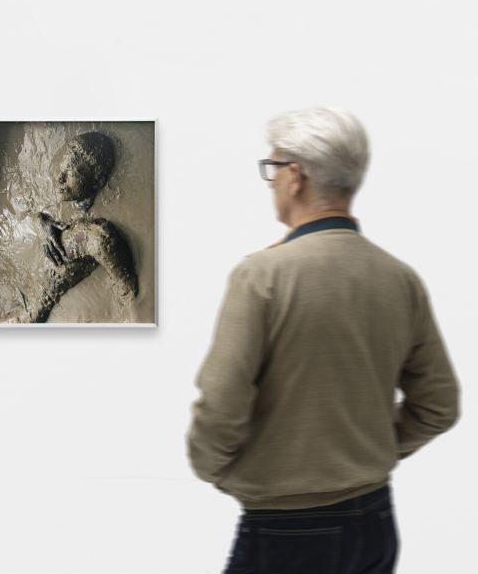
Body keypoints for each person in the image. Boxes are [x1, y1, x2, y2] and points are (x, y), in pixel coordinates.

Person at [186, 106, 460, 573]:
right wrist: (367, 451)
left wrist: (215, 469)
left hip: (286, 528)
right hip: (374, 521)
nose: (271, 182)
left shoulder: (263, 275)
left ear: (296, 176)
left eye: (273, 168)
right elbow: (439, 405)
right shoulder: (399, 278)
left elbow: (221, 399)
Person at [10, 131, 138, 323]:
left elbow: (130, 297)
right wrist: (41, 223)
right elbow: (35, 215)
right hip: (20, 293)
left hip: (31, 314)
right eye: (62, 166)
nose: (59, 177)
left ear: (98, 181)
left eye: (71, 172)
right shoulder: (60, 211)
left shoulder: (95, 235)